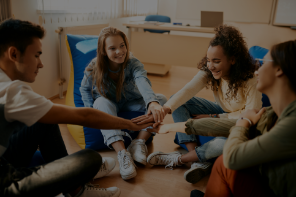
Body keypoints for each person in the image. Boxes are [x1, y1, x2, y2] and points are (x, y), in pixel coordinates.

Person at [0, 19, 152, 197]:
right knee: (90, 159)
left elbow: (142, 82)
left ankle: (73, 184)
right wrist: (131, 124)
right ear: (14, 54)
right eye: (37, 55)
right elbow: (85, 116)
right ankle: (77, 190)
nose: (40, 64)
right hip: (5, 182)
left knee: (43, 121)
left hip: (5, 158)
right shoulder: (11, 91)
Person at [133, 25, 262, 183]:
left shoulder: (250, 79)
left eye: (216, 61)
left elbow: (249, 115)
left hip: (238, 120)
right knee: (177, 101)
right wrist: (164, 109)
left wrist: (216, 116)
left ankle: (182, 159)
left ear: (233, 59)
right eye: (208, 60)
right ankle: (197, 160)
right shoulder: (209, 70)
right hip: (222, 110)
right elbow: (187, 90)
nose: (210, 66)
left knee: (226, 143)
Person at [202, 40, 296, 197]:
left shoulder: (292, 122)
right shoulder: (275, 112)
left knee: (224, 164)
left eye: (263, 62)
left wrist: (243, 122)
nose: (257, 70)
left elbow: (232, 157)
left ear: (279, 68)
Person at [80, 27, 167, 180]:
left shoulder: (133, 62)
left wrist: (152, 102)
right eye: (112, 48)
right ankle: (122, 153)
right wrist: (89, 109)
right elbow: (84, 89)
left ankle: (139, 142)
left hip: (130, 102)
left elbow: (142, 80)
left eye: (122, 45)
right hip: (109, 103)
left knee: (162, 100)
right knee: (99, 101)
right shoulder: (94, 66)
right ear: (103, 51)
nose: (119, 51)